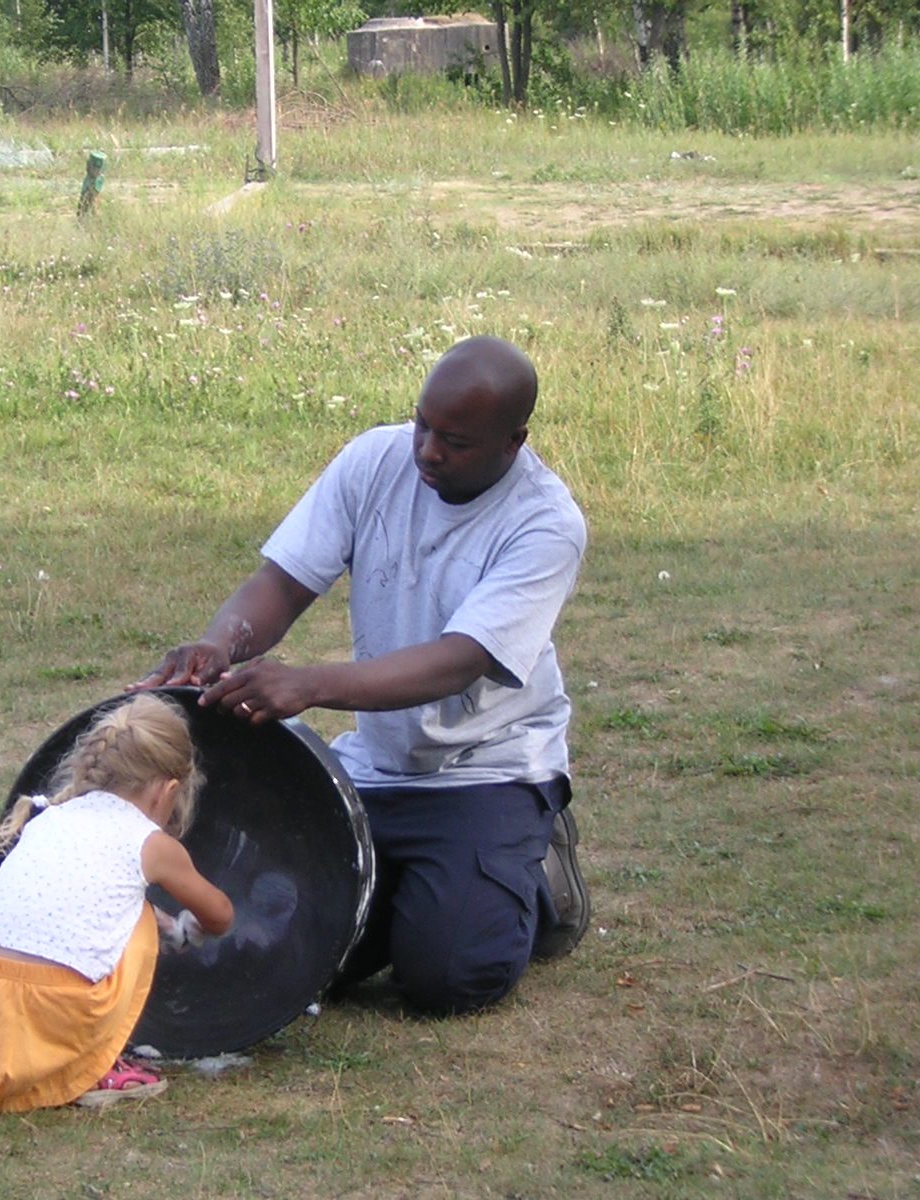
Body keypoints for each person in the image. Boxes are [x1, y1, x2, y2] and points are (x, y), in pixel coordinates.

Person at [137, 335, 589, 1016]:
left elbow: (461, 659)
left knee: (448, 977)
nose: (428, 451)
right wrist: (217, 645)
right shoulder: (375, 460)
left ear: (513, 441)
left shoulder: (546, 524)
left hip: (489, 769)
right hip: (377, 766)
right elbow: (282, 585)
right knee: (287, 952)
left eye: (455, 441)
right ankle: (420, 880)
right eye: (422, 425)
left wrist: (310, 684)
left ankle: (532, 867)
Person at [0, 693, 234, 1122]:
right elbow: (221, 914)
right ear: (169, 791)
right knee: (136, 917)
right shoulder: (150, 843)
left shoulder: (49, 816)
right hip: (54, 1007)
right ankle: (90, 1065)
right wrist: (186, 926)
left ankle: (32, 1060)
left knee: (114, 909)